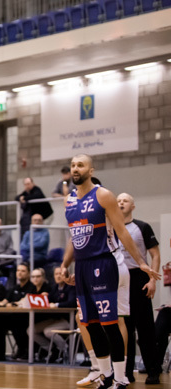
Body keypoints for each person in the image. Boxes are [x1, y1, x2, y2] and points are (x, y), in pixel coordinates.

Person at [60, 154, 161, 389]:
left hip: (104, 263)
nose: (75, 169)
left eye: (80, 165)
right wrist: (65, 264)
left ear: (91, 170)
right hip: (82, 265)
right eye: (73, 165)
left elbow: (122, 231)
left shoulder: (103, 195)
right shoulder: (69, 200)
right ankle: (105, 375)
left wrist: (141, 262)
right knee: (90, 323)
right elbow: (74, 236)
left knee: (110, 322)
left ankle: (121, 378)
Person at [117, 192, 162, 384]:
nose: (121, 203)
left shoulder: (142, 227)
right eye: (118, 201)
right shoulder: (111, 228)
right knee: (124, 327)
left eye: (125, 200)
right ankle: (126, 372)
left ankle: (153, 370)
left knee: (145, 328)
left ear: (132, 206)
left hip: (139, 278)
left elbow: (155, 254)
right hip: (120, 279)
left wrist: (152, 279)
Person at [33, 267, 77, 363]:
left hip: (68, 319)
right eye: (56, 274)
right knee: (31, 330)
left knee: (48, 331)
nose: (58, 276)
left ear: (66, 275)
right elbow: (50, 300)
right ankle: (52, 349)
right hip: (55, 319)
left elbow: (72, 303)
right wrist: (44, 297)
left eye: (60, 274)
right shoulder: (55, 287)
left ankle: (64, 349)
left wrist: (57, 305)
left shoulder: (71, 287)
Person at [0, 263, 36, 360]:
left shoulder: (32, 287)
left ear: (28, 273)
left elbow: (25, 301)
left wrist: (13, 304)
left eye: (23, 271)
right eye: (18, 270)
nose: (20, 273)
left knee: (17, 325)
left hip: (27, 317)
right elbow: (5, 301)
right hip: (15, 316)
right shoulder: (14, 287)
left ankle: (25, 350)